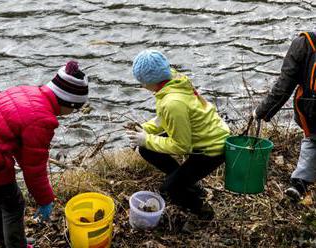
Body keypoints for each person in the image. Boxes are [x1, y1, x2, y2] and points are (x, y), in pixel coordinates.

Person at [0, 61, 88, 248]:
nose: (71, 114)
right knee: (13, 206)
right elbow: (35, 170)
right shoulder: (42, 120)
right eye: (75, 109)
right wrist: (45, 200)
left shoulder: (29, 93)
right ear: (67, 101)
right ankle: (16, 245)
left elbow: (13, 135)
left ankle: (0, 240)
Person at [126, 50, 230, 218]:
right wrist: (146, 130)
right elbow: (164, 120)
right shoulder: (173, 81)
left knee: (169, 189)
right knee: (147, 149)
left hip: (211, 149)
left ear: (150, 82)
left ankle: (202, 210)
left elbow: (182, 146)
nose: (142, 87)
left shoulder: (172, 103)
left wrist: (146, 139)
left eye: (142, 83)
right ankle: (189, 183)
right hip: (203, 135)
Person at [254, 31, 316, 201]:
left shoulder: (304, 43)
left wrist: (261, 111)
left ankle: (299, 184)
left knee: (311, 141)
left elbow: (283, 87)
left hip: (312, 111)